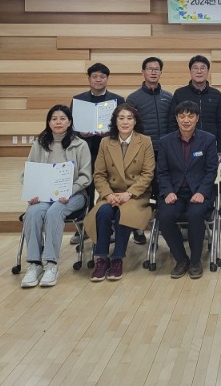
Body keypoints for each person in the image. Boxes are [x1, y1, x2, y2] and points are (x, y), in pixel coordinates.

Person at [20, 104, 92, 288]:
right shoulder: (39, 144)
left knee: (55, 212)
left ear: (69, 122)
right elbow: (28, 171)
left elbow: (85, 176)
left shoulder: (80, 144)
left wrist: (70, 190)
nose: (58, 122)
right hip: (44, 195)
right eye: (54, 119)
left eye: (62, 118)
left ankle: (51, 264)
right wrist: (32, 191)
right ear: (48, 122)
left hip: (73, 195)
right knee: (33, 213)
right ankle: (34, 264)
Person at [84, 103, 155, 281]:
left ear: (135, 121)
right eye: (121, 118)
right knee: (104, 211)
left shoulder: (145, 141)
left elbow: (148, 174)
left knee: (124, 212)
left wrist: (129, 194)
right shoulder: (105, 142)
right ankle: (101, 258)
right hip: (111, 194)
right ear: (115, 121)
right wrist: (108, 195)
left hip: (136, 195)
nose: (125, 122)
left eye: (129, 118)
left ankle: (117, 259)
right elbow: (99, 174)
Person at [156, 101, 219, 279]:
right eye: (182, 116)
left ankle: (196, 260)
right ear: (176, 118)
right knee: (165, 216)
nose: (186, 120)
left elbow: (211, 170)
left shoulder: (208, 139)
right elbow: (162, 172)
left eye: (190, 116)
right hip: (174, 192)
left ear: (197, 118)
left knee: (195, 215)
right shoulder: (165, 142)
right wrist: (168, 192)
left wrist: (202, 192)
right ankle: (181, 258)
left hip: (199, 192)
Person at [70, 62, 125, 245]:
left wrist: (110, 132)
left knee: (108, 189)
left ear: (107, 79)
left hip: (110, 151)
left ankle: (110, 225)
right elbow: (72, 128)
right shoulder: (78, 100)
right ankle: (84, 227)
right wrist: (80, 133)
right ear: (89, 79)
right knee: (86, 189)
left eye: (102, 76)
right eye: (95, 76)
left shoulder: (117, 100)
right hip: (85, 151)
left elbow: (124, 126)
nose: (99, 79)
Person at [127, 56, 172, 245]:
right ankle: (137, 228)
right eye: (149, 69)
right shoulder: (133, 98)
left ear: (161, 72)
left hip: (166, 152)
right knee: (142, 190)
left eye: (157, 69)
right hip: (143, 152)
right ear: (143, 72)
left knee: (162, 188)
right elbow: (130, 127)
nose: (153, 72)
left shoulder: (169, 97)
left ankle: (163, 223)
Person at [167, 55, 221, 154]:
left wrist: (220, 149)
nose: (199, 71)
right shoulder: (180, 93)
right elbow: (173, 121)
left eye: (203, 68)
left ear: (208, 71)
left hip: (209, 144)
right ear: (190, 71)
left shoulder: (216, 94)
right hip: (185, 144)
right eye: (195, 68)